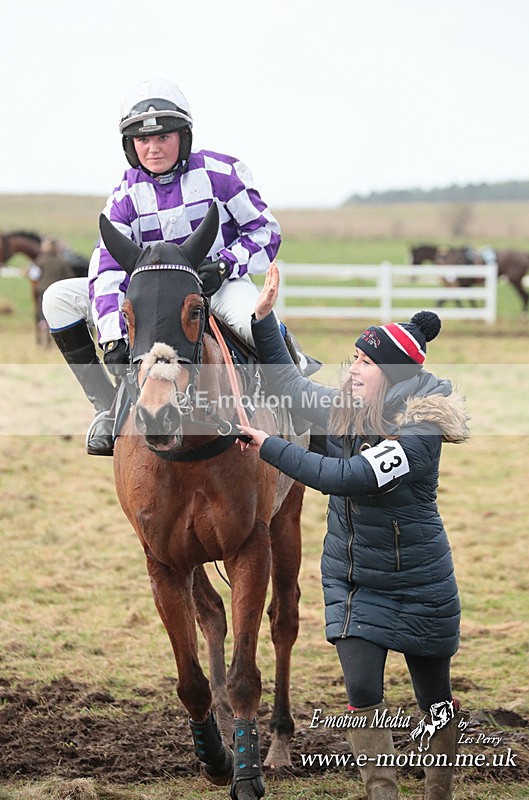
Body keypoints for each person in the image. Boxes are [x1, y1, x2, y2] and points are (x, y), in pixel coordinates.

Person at [238, 263, 470, 800]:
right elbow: (291, 387)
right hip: (354, 580)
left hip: (421, 584)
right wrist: (265, 320)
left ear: (392, 373)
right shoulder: (346, 407)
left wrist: (268, 445)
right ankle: (381, 792)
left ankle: (438, 790)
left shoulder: (418, 434)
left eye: (365, 362)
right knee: (363, 688)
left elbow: (344, 478)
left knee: (434, 697)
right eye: (354, 359)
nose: (353, 369)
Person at [42, 78, 284, 456]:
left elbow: (266, 232)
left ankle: (295, 402)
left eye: (163, 138)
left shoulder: (223, 173)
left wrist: (224, 265)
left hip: (215, 287)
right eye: (143, 141)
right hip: (149, 298)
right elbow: (106, 270)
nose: (153, 148)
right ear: (130, 146)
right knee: (57, 298)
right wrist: (112, 337)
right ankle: (109, 407)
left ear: (183, 137)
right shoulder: (123, 195)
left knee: (254, 324)